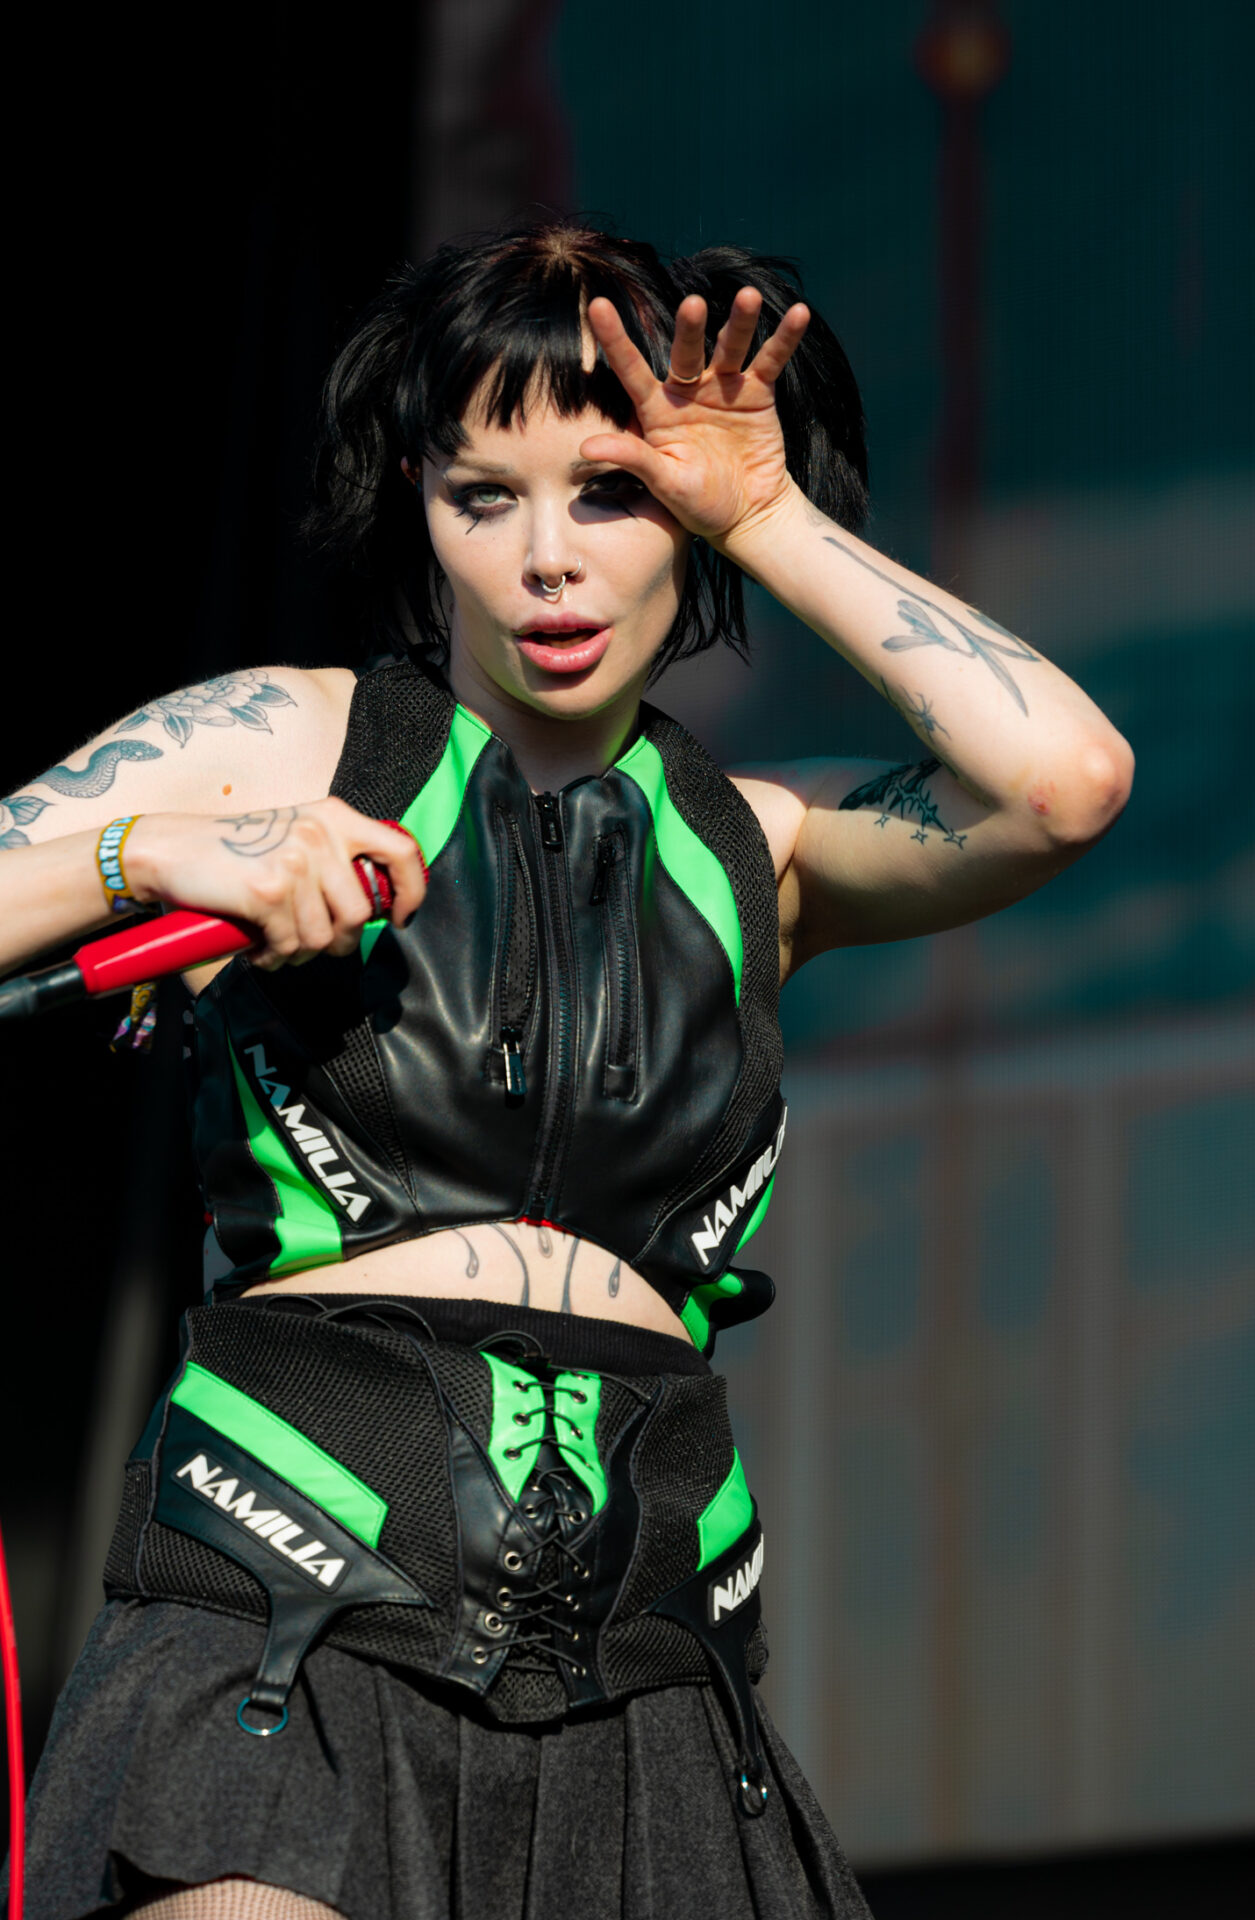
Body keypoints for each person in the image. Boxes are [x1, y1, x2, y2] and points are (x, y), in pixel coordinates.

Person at [1, 218, 1133, 1919]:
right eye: (486, 496)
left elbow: (1064, 784)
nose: (547, 559)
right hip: (286, 1620)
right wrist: (151, 850)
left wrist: (769, 517)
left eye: (608, 493)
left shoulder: (764, 844)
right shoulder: (285, 739)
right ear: (417, 495)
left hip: (657, 1678)